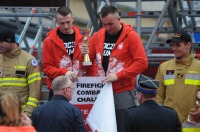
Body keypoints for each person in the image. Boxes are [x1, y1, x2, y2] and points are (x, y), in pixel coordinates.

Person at [80, 5, 148, 131]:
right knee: (103, 127)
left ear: (119, 18)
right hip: (102, 89)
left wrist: (119, 75)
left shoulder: (131, 36)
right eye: (104, 24)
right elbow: (86, 64)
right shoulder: (98, 35)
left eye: (110, 24)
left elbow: (142, 62)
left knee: (124, 126)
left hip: (122, 89)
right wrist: (83, 55)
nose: (107, 27)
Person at [42, 6, 89, 100]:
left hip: (81, 87)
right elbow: (47, 68)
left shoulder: (84, 36)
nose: (66, 26)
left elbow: (91, 64)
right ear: (56, 22)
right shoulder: (49, 41)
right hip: (59, 89)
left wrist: (92, 82)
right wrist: (65, 72)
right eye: (62, 23)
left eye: (68, 22)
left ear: (73, 19)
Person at [155, 31, 200, 123]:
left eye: (178, 45)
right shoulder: (164, 67)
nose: (174, 48)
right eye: (172, 45)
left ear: (188, 45)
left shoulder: (199, 67)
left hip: (193, 123)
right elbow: (157, 98)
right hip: (169, 123)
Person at [0, 29, 41, 117]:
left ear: (10, 41)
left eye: (1, 42)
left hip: (20, 115)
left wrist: (28, 113)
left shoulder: (29, 61)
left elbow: (35, 91)